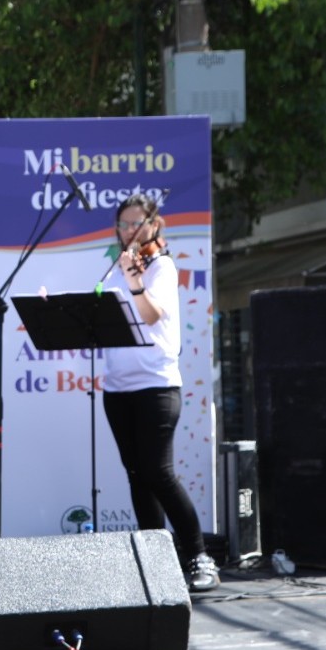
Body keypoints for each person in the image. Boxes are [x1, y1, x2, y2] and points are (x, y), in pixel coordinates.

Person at [102, 195, 219, 592]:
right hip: (117, 387)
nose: (129, 231)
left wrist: (135, 280)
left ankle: (200, 556)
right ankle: (155, 563)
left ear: (154, 226)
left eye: (137, 224)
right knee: (137, 475)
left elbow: (151, 314)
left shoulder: (161, 267)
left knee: (158, 472)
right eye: (123, 224)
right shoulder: (116, 267)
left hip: (156, 386)